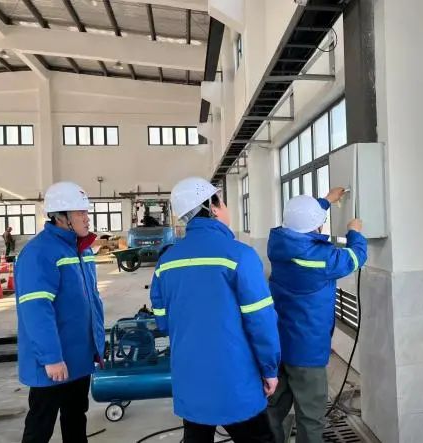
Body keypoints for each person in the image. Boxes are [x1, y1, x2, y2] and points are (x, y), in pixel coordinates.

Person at [150, 177, 280, 443]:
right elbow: (261, 322)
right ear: (212, 206)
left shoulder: (166, 262)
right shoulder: (239, 255)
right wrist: (269, 369)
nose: (227, 208)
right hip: (236, 376)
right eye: (223, 201)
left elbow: (162, 321)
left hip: (189, 375)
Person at [267, 190, 367, 443]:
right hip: (307, 351)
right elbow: (355, 257)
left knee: (274, 409)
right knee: (311, 417)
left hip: (280, 343)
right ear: (317, 226)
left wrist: (325, 201)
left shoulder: (278, 244)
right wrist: (354, 232)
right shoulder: (319, 258)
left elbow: (299, 221)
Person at [15, 182, 105, 443]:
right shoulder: (39, 253)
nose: (87, 218)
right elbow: (36, 310)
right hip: (53, 362)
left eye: (86, 212)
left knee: (76, 418)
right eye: (80, 213)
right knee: (41, 425)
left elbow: (91, 301)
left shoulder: (82, 249)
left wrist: (97, 345)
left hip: (78, 357)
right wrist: (51, 358)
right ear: (61, 217)